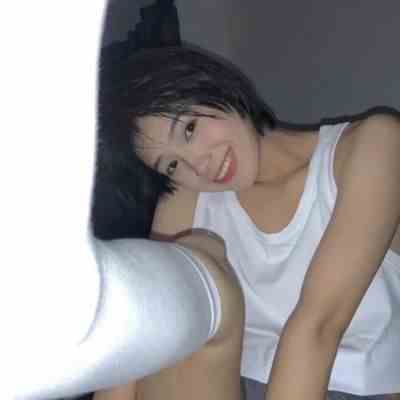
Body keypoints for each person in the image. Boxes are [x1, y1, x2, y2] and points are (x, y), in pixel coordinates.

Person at [94, 46, 400, 400]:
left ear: (215, 86)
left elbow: (318, 327)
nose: (199, 165)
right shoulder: (188, 198)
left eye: (189, 129)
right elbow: (146, 326)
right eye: (172, 165)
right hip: (226, 386)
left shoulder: (372, 145)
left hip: (343, 388)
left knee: (196, 258)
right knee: (182, 270)